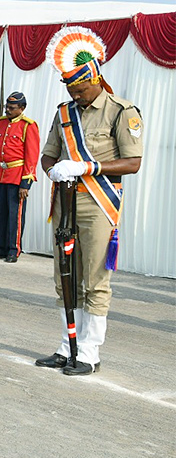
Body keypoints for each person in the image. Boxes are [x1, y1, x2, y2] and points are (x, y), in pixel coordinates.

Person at [35, 26, 143, 376]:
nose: (77, 95)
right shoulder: (64, 113)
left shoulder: (120, 111)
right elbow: (48, 154)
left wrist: (88, 166)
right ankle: (68, 344)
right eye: (71, 90)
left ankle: (90, 350)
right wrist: (53, 170)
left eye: (81, 89)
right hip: (64, 202)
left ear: (95, 78)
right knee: (64, 277)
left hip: (99, 204)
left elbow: (133, 162)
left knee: (95, 279)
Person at [0, 92, 38, 263]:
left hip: (17, 176)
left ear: (22, 108)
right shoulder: (1, 123)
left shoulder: (28, 126)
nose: (8, 110)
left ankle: (14, 249)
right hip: (1, 175)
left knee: (15, 215)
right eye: (7, 107)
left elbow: (32, 155)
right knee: (0, 213)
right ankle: (1, 247)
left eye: (12, 108)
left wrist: (26, 183)